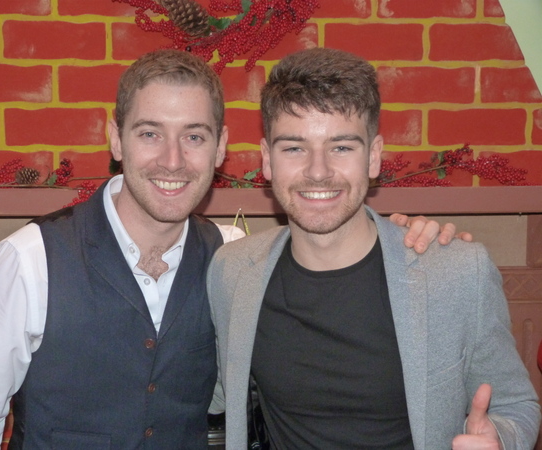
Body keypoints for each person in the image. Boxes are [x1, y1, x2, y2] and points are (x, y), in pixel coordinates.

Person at [0, 49, 461, 449]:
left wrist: (409, 237)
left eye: (194, 137)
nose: (173, 160)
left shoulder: (231, 259)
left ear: (220, 148)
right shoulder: (30, 259)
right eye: (150, 133)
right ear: (116, 140)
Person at [207, 48, 541, 450]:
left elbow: (515, 404)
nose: (318, 171)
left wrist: (501, 439)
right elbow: (206, 391)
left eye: (342, 147)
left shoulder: (456, 272)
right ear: (267, 160)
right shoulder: (232, 271)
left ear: (374, 157)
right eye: (294, 148)